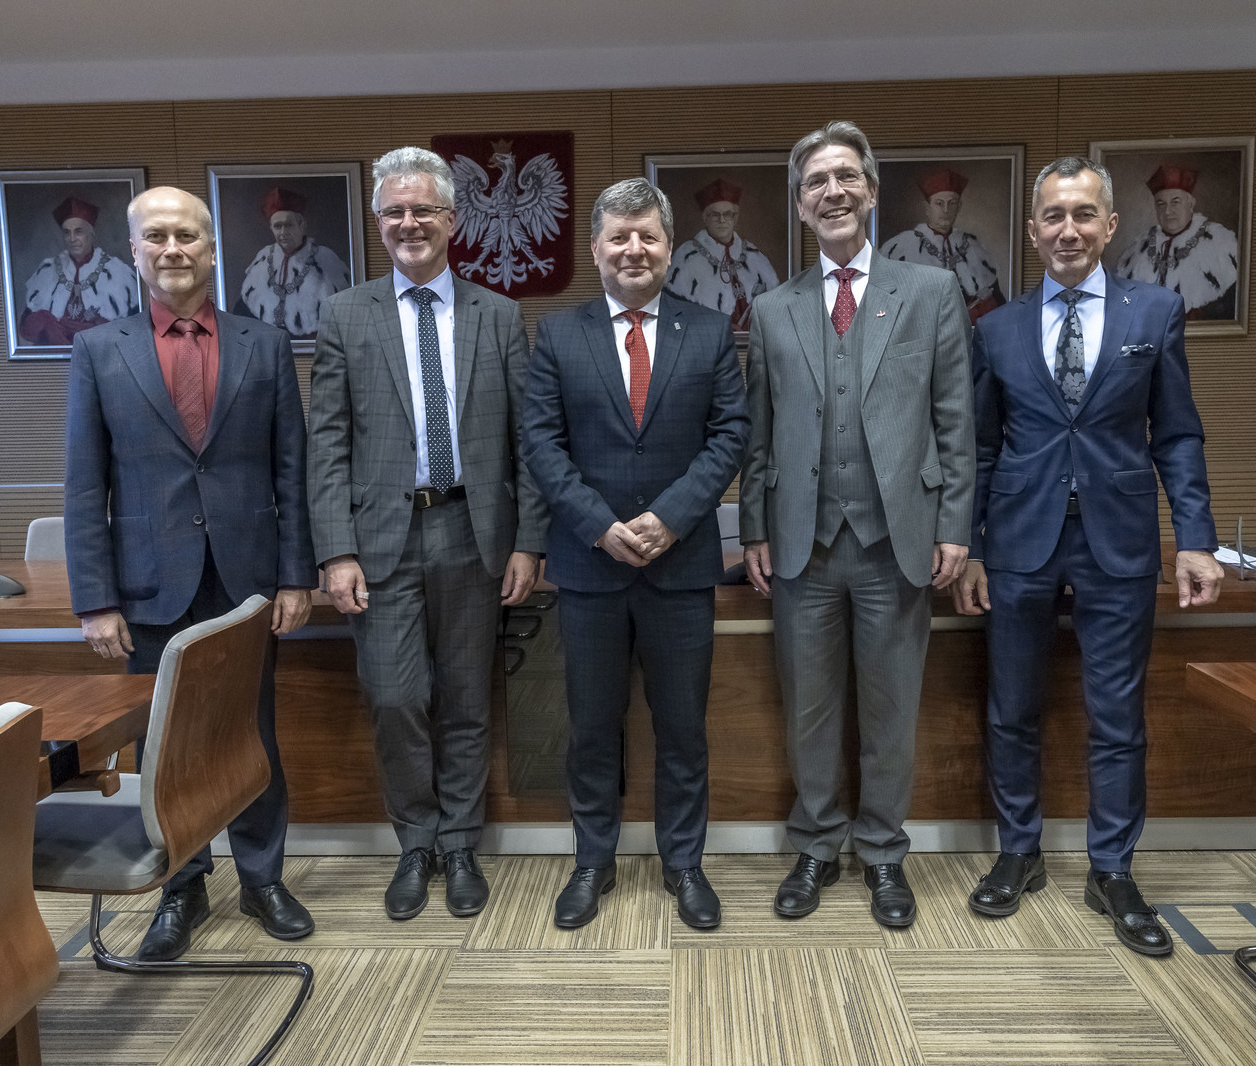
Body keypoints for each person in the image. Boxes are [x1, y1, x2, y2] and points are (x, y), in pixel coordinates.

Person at [954, 157, 1223, 957]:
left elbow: (1177, 434)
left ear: (1109, 226)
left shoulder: (1156, 311)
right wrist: (972, 548)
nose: (1067, 229)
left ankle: (1112, 870)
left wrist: (1196, 538)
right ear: (1033, 230)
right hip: (1019, 542)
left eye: (1082, 215)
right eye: (1053, 216)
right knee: (1011, 709)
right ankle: (1019, 852)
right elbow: (979, 447)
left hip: (1120, 540)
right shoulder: (996, 328)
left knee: (1117, 715)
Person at [64, 185, 316, 961]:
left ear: (211, 248)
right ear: (134, 251)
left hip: (247, 580)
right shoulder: (98, 349)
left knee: (251, 731)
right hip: (149, 583)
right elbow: (84, 483)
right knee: (164, 743)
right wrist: (95, 600)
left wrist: (296, 575)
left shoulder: (264, 344)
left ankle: (263, 878)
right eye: (157, 237)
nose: (172, 249)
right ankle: (182, 884)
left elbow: (291, 470)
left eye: (187, 236)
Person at [739, 121, 974, 929]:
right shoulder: (773, 309)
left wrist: (955, 524)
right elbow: (759, 435)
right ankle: (815, 846)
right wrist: (755, 529)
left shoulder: (931, 293)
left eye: (846, 176)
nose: (832, 191)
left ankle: (881, 853)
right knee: (808, 711)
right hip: (801, 546)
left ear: (871, 191)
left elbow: (955, 419)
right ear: (800, 204)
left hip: (895, 543)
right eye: (816, 182)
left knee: (889, 712)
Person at [308, 147, 546, 923]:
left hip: (473, 532)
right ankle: (416, 841)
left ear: (452, 219)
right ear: (379, 223)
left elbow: (527, 440)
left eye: (423, 210)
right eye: (394, 212)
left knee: (468, 697)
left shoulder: (498, 314)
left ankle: (460, 844)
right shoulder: (346, 315)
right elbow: (327, 442)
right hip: (381, 539)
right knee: (396, 696)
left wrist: (528, 541)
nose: (409, 223)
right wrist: (335, 550)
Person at [521, 177, 748, 931]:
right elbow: (541, 443)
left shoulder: (709, 332)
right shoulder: (559, 335)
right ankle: (593, 861)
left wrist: (672, 518)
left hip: (680, 569)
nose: (633, 249)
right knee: (591, 726)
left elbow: (730, 435)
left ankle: (685, 865)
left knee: (682, 727)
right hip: (590, 569)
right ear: (596, 249)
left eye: (647, 235)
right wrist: (598, 524)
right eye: (618, 237)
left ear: (669, 247)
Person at [878, 168, 1007, 323]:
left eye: (952, 203)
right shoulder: (901, 246)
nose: (946, 210)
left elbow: (998, 304)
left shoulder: (974, 245)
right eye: (939, 203)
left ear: (959, 207)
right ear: (927, 208)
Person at [1114, 165, 1239, 320]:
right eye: (1161, 204)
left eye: (1175, 202)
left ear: (1190, 204)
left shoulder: (1219, 240)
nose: (1167, 211)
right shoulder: (1139, 247)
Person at [665, 177, 781, 330]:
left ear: (735, 218)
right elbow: (674, 312)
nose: (722, 220)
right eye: (715, 214)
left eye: (727, 214)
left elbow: (776, 307)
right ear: (705, 218)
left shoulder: (754, 255)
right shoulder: (686, 256)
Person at [20, 196, 139, 345]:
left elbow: (132, 329)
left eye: (78, 231)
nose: (72, 239)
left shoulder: (116, 271)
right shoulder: (48, 270)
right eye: (66, 232)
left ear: (91, 234)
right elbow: (26, 328)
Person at [238, 186, 351, 339]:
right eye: (278, 226)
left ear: (302, 226)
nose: (283, 232)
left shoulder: (325, 259)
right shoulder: (263, 259)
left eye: (289, 225)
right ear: (271, 228)